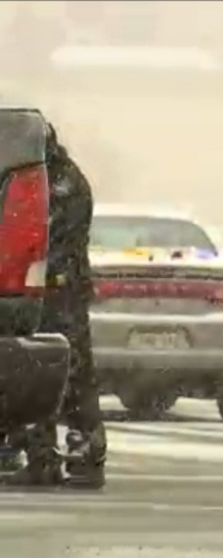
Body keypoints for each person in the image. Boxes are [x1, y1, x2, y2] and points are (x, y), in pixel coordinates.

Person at [7, 123, 105, 488]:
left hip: (58, 290)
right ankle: (42, 456)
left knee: (69, 374)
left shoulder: (60, 182)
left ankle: (83, 456)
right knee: (39, 376)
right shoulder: (41, 177)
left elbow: (49, 237)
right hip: (40, 288)